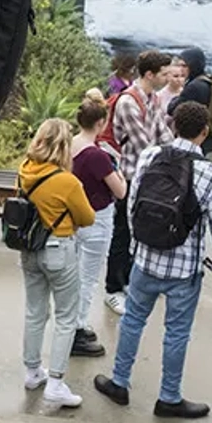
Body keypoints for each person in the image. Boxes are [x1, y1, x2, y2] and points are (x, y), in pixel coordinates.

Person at [93, 103, 212, 419]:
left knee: (132, 320)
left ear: (173, 126)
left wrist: (137, 245)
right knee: (176, 333)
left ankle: (119, 383)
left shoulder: (149, 156)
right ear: (205, 132)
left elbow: (133, 206)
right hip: (184, 271)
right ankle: (169, 398)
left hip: (145, 262)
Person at [17, 118, 95, 409]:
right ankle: (57, 383)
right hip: (59, 250)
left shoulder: (24, 170)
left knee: (35, 311)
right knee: (66, 317)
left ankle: (32, 370)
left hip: (30, 248)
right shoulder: (66, 181)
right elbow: (87, 217)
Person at [106, 49, 174, 317]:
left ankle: (130, 282)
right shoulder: (128, 102)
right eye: (165, 74)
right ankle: (113, 288)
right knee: (122, 232)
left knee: (139, 233)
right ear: (150, 74)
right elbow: (145, 144)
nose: (168, 78)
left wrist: (179, 152)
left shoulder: (153, 98)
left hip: (146, 177)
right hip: (129, 177)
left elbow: (162, 133)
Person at [68, 94, 125, 359]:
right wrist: (119, 169)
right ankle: (77, 327)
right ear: (101, 122)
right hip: (97, 219)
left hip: (74, 217)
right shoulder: (98, 156)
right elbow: (120, 191)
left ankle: (71, 322)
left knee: (73, 274)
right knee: (88, 278)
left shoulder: (70, 146)